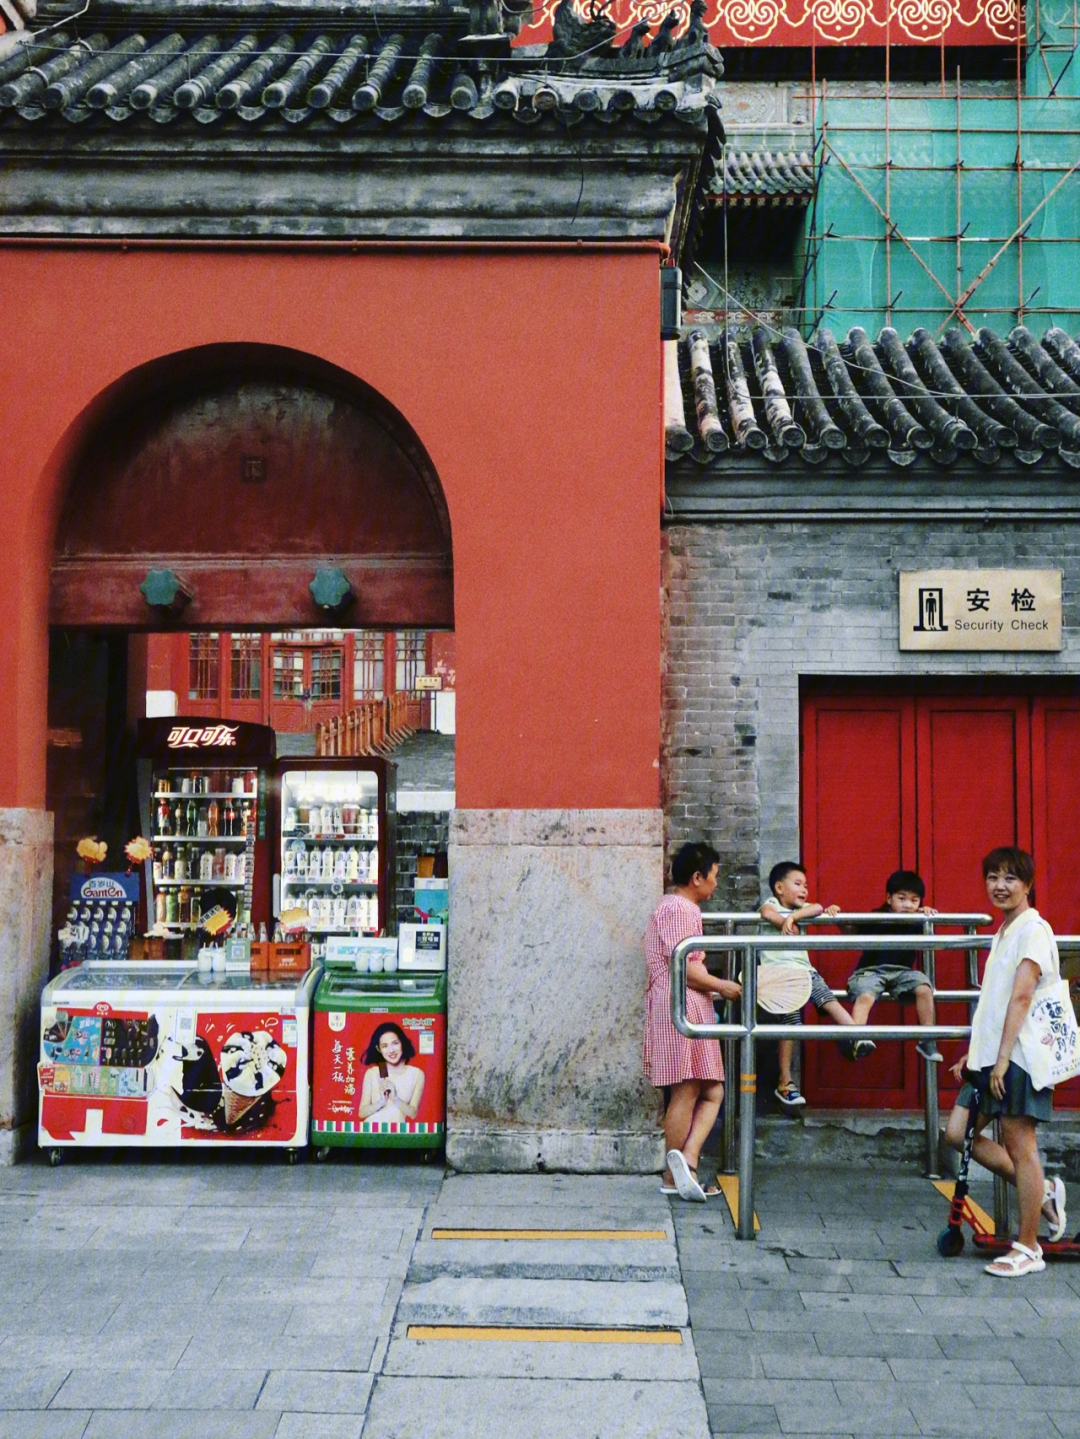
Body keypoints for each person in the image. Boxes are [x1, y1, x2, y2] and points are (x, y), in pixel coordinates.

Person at [944, 846, 1067, 1277]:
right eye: (993, 876)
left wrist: (998, 1062)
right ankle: (1045, 1192)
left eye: (1010, 878)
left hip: (1019, 1057)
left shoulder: (1035, 929)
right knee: (957, 1133)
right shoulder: (1004, 930)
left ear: (1028, 884)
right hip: (992, 1056)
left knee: (1021, 1145)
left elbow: (1021, 996)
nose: (1000, 885)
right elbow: (996, 1003)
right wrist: (975, 1053)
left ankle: (1029, 1247)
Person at [643, 841, 741, 1202]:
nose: (716, 884)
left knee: (711, 1088)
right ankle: (673, 1174)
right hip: (681, 1003)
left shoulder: (675, 907)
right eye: (714, 877)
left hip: (682, 1003)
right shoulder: (681, 909)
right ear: (697, 878)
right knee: (688, 1087)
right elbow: (686, 965)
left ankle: (689, 1163)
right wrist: (724, 987)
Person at [761, 861, 874, 1109]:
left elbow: (818, 907)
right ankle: (785, 1082)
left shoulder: (799, 912)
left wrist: (794, 916)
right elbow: (766, 914)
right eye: (798, 884)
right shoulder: (772, 905)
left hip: (804, 972)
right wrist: (784, 921)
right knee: (791, 1023)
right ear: (779, 888)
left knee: (826, 997)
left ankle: (855, 1035)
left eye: (806, 886)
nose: (804, 890)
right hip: (779, 975)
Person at [845, 869, 943, 1063]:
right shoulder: (876, 917)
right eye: (902, 898)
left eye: (914, 901)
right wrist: (835, 914)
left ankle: (927, 1039)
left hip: (901, 972)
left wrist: (926, 914)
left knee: (924, 988)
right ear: (889, 898)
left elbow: (933, 935)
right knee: (865, 996)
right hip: (871, 971)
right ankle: (854, 1038)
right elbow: (851, 929)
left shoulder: (917, 920)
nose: (908, 905)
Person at [357, 1022, 425, 1125]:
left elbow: (413, 1113)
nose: (391, 1050)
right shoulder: (374, 1072)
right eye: (384, 1046)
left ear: (402, 1042)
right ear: (379, 1049)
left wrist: (395, 1098)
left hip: (396, 1134)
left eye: (395, 1043)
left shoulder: (417, 1074)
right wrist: (381, 1102)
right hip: (370, 1132)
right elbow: (362, 1113)